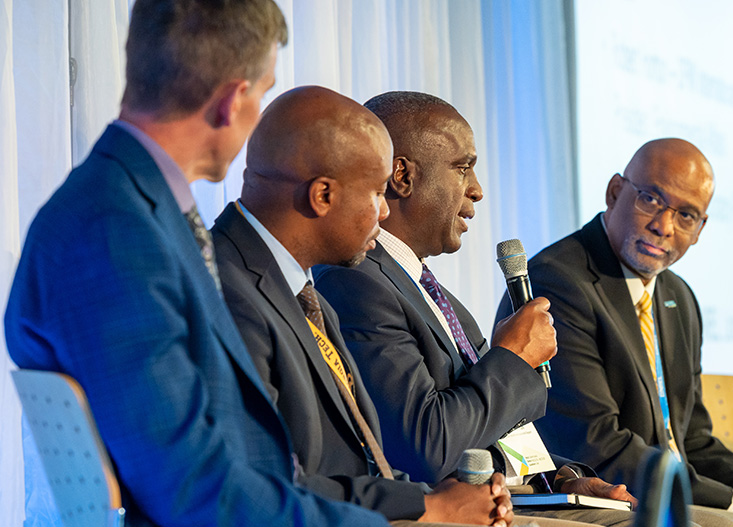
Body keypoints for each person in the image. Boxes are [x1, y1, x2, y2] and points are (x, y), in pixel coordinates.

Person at [4, 2, 388, 526]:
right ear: (233, 100)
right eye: (265, 92)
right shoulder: (114, 231)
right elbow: (192, 492)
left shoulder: (137, 208)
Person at [211, 85, 550, 527]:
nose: (385, 212)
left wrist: (555, 478)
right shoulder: (235, 287)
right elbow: (257, 484)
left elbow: (363, 456)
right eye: (375, 193)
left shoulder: (302, 290)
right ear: (323, 196)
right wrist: (429, 508)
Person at [313, 91, 650, 527]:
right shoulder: (356, 283)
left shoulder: (434, 295)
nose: (477, 189)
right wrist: (512, 358)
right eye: (462, 167)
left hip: (513, 498)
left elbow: (491, 426)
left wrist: (561, 480)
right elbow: (426, 446)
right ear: (401, 175)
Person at [493, 138, 733, 527]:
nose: (663, 226)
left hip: (667, 489)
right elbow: (596, 444)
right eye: (650, 199)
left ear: (700, 229)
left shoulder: (677, 296)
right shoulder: (560, 282)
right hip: (596, 492)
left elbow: (694, 442)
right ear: (615, 192)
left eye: (686, 215)